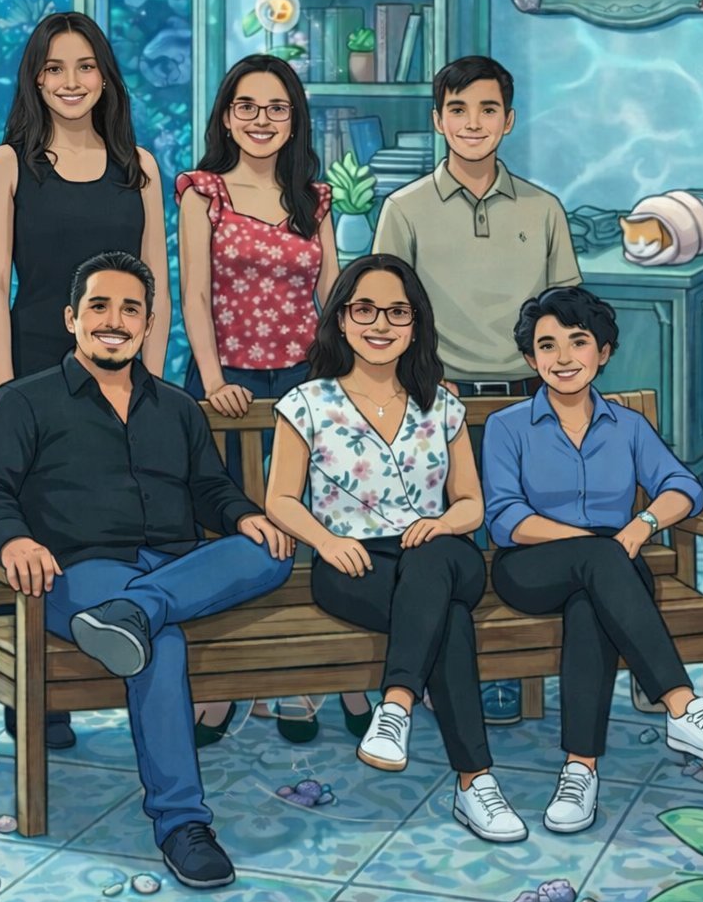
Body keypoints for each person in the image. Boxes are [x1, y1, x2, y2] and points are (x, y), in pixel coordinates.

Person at [0, 250, 294, 890]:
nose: (114, 320)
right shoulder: (24, 401)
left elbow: (211, 492)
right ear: (71, 318)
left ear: (147, 323)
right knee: (156, 645)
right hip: (78, 574)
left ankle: (138, 611)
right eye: (99, 306)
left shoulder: (175, 407)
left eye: (130, 309)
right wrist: (15, 541)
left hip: (171, 565)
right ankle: (182, 825)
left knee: (268, 550)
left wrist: (245, 515)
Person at [265, 253, 528, 844]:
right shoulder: (307, 403)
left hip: (441, 549)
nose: (380, 324)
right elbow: (279, 499)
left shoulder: (441, 403)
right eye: (364, 309)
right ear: (340, 319)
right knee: (449, 624)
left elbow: (470, 505)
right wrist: (326, 541)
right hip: (350, 560)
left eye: (397, 312)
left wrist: (441, 525)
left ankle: (397, 706)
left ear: (415, 325)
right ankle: (475, 784)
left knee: (434, 567)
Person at [483, 285, 703, 835]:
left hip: (614, 565)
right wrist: (588, 543)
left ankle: (579, 772)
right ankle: (683, 707)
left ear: (602, 352)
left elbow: (682, 487)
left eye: (577, 342)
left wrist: (641, 525)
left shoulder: (627, 426)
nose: (562, 358)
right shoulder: (507, 426)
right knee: (598, 565)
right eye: (547, 346)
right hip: (529, 566)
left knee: (592, 604)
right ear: (531, 358)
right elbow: (504, 516)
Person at [0, 11, 170, 751]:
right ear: (34, 78)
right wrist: (5, 393)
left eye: (85, 66)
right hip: (30, 367)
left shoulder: (140, 167)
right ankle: (37, 693)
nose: (70, 82)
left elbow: (158, 284)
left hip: (125, 374)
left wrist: (147, 385)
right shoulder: (7, 164)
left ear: (105, 77)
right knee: (33, 522)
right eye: (54, 68)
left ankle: (122, 651)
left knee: (112, 517)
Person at [373, 53, 582, 726]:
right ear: (438, 120)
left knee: (523, 539)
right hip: (439, 401)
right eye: (457, 109)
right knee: (449, 546)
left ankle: (521, 672)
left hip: (527, 400)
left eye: (488, 109)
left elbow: (566, 315)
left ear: (509, 120)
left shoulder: (543, 208)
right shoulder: (403, 210)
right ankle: (455, 672)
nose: (473, 122)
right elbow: (384, 312)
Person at [176, 54, 369, 745]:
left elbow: (334, 297)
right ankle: (224, 686)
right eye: (247, 107)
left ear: (295, 119)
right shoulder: (203, 191)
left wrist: (344, 383)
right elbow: (194, 294)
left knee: (320, 520)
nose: (261, 120)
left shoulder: (312, 198)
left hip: (305, 382)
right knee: (229, 527)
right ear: (227, 116)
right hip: (225, 380)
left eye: (276, 107)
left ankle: (311, 679)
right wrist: (213, 378)